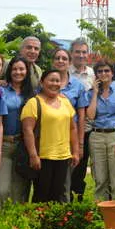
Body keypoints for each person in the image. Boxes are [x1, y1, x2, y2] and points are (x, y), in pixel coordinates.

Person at [20, 69, 79, 203]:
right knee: (41, 196)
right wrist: (33, 155)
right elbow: (27, 130)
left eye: (57, 81)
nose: (54, 84)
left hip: (63, 157)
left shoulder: (65, 102)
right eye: (51, 80)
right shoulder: (34, 103)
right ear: (42, 82)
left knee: (58, 195)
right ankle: (38, 223)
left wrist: (75, 151)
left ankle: (53, 223)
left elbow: (72, 128)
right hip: (43, 158)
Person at [86, 60, 115, 201]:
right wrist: (95, 93)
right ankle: (100, 214)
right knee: (100, 179)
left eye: (106, 70)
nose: (103, 74)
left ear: (112, 73)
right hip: (97, 137)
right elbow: (90, 116)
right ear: (96, 75)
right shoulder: (90, 93)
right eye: (100, 71)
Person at [0, 56, 36, 207]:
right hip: (4, 145)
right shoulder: (0, 89)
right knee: (1, 191)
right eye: (15, 69)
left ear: (27, 71)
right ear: (9, 71)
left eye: (22, 69)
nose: (18, 72)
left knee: (20, 193)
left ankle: (17, 228)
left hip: (23, 146)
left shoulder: (32, 93)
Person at [52, 48, 89, 202]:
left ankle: (68, 210)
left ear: (69, 62)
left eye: (64, 58)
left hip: (71, 137)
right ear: (53, 61)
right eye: (58, 58)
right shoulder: (46, 82)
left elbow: (81, 117)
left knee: (70, 177)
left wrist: (80, 144)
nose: (61, 61)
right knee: (53, 177)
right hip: (51, 137)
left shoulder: (78, 86)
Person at [69, 38, 95, 201]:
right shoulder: (64, 72)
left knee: (81, 167)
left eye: (84, 52)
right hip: (67, 128)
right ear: (71, 53)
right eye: (77, 52)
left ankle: (78, 200)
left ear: (88, 54)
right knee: (69, 166)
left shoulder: (93, 74)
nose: (80, 55)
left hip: (88, 129)